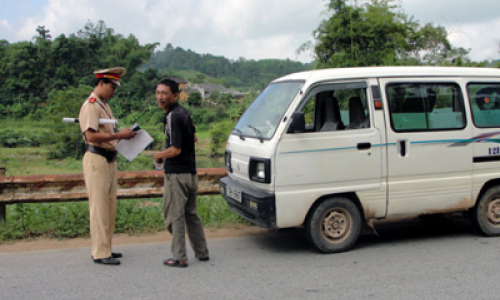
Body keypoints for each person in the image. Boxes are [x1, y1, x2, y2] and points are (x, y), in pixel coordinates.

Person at [79, 67, 136, 265]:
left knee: (110, 205)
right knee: (99, 207)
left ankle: (106, 247)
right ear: (101, 83)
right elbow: (90, 135)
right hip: (97, 158)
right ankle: (100, 252)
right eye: (112, 86)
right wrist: (118, 136)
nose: (114, 91)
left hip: (109, 158)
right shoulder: (91, 105)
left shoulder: (104, 105)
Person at [154, 78, 209, 268]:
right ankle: (202, 252)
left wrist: (158, 155)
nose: (160, 97)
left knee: (174, 216)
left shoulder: (173, 116)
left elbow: (175, 150)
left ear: (175, 96)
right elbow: (193, 137)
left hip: (177, 175)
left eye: (164, 93)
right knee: (191, 214)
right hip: (191, 174)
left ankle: (179, 257)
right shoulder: (184, 113)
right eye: (158, 92)